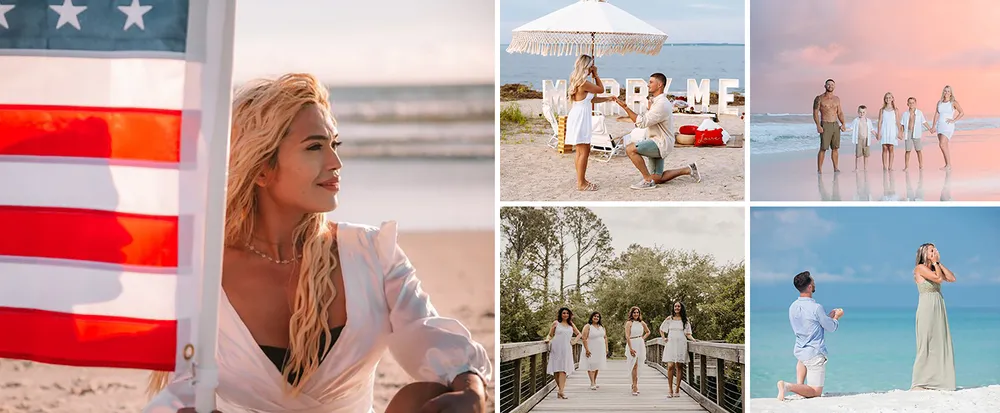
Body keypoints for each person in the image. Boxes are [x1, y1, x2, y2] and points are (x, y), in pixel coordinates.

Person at [142, 74, 491, 413]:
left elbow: (423, 331)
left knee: (427, 396)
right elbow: (182, 386)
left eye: (334, 145)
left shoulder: (371, 253)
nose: (336, 163)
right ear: (262, 169)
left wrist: (470, 382)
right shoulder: (206, 269)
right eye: (314, 147)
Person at [613, 73, 701, 190]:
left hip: (660, 143)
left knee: (630, 149)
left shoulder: (662, 104)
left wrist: (625, 107)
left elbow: (642, 123)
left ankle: (647, 181)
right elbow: (647, 120)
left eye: (651, 82)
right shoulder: (657, 102)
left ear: (659, 85)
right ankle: (689, 169)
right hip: (657, 140)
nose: (648, 85)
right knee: (658, 178)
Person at [777, 271, 844, 401]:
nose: (814, 284)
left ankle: (799, 388)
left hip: (800, 351)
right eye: (813, 282)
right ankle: (787, 386)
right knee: (815, 391)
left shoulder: (793, 307)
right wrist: (836, 318)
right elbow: (830, 327)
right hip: (814, 353)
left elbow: (809, 325)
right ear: (809, 287)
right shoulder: (816, 307)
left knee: (802, 360)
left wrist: (827, 317)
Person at [911, 243, 957, 391]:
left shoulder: (935, 267)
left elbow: (951, 278)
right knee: (926, 343)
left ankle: (938, 381)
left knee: (939, 343)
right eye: (932, 250)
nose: (935, 251)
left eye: (935, 250)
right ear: (924, 253)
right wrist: (936, 263)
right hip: (927, 308)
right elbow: (937, 279)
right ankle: (919, 382)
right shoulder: (920, 268)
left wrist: (938, 263)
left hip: (938, 306)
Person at [565, 55, 613, 191]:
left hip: (580, 115)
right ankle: (581, 183)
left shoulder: (577, 80)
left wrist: (607, 99)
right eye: (591, 65)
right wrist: (596, 74)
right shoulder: (584, 83)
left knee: (581, 151)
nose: (593, 67)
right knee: (584, 151)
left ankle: (581, 179)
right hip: (580, 117)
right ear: (587, 66)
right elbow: (601, 89)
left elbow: (591, 100)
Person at [660, 301, 697, 399]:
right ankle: (670, 390)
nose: (677, 307)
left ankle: (677, 389)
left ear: (681, 308)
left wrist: (694, 340)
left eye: (679, 306)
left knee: (679, 366)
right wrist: (664, 338)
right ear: (673, 307)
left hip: (681, 343)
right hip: (671, 343)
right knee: (670, 366)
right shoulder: (669, 319)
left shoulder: (685, 320)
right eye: (675, 306)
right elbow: (662, 329)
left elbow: (688, 333)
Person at [546, 307, 582, 399]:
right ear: (561, 314)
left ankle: (561, 391)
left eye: (567, 313)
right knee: (556, 370)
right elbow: (550, 335)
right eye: (564, 313)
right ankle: (560, 390)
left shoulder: (571, 325)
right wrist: (547, 339)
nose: (565, 315)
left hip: (566, 348)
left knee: (563, 370)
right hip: (556, 348)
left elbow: (579, 334)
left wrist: (574, 342)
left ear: (569, 315)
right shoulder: (556, 323)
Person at [813, 79, 847, 174]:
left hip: (835, 125)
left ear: (834, 86)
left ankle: (836, 168)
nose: (830, 86)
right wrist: (818, 125)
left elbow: (839, 112)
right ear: (825, 86)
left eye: (832, 84)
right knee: (823, 148)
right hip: (825, 124)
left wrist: (843, 123)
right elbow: (815, 113)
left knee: (835, 148)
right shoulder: (819, 98)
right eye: (828, 84)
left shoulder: (837, 99)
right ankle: (819, 169)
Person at [932, 86, 964, 171]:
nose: (946, 93)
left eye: (948, 91)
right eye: (945, 91)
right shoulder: (939, 102)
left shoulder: (953, 102)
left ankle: (948, 165)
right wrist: (933, 126)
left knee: (942, 144)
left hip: (948, 126)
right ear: (943, 92)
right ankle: (948, 165)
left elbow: (961, 112)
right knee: (944, 145)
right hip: (940, 125)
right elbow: (936, 114)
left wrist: (954, 120)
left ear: (951, 93)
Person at [900, 97, 934, 171]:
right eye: (910, 103)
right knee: (907, 150)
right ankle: (906, 167)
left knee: (918, 150)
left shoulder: (919, 113)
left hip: (916, 133)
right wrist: (900, 133)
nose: (911, 104)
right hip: (908, 132)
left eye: (913, 103)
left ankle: (921, 165)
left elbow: (924, 122)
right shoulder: (905, 114)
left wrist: (930, 129)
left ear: (915, 104)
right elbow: (902, 124)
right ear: (907, 104)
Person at [579, 311, 609, 390]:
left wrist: (606, 348)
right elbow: (584, 338)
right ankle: (592, 382)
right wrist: (587, 350)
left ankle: (594, 381)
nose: (596, 318)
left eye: (598, 317)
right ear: (592, 317)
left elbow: (605, 337)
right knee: (591, 365)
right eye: (595, 316)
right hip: (591, 348)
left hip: (600, 349)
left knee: (597, 365)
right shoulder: (588, 326)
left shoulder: (601, 327)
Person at [624, 306, 650, 396]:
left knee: (639, 365)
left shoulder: (641, 323)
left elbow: (648, 332)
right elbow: (627, 336)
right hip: (632, 343)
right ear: (631, 313)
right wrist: (630, 348)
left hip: (640, 343)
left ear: (639, 314)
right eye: (634, 312)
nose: (636, 314)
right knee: (633, 365)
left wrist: (642, 338)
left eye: (637, 312)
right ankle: (635, 386)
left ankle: (634, 383)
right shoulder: (629, 323)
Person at [846, 105, 876, 171]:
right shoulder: (856, 120)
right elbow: (851, 128)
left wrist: (876, 135)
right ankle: (857, 168)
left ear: (866, 112)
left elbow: (872, 129)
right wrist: (844, 129)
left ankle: (865, 168)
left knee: (866, 155)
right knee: (858, 155)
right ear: (858, 112)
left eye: (863, 112)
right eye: (860, 112)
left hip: (866, 140)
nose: (862, 114)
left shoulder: (868, 121)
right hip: (859, 139)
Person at [876, 92, 901, 171]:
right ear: (884, 99)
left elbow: (897, 122)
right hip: (884, 130)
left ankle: (890, 166)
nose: (888, 99)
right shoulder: (882, 110)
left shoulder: (895, 110)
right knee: (884, 148)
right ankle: (884, 166)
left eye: (890, 97)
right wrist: (879, 133)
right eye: (886, 98)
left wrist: (900, 132)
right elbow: (879, 122)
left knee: (891, 148)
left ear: (893, 99)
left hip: (892, 130)